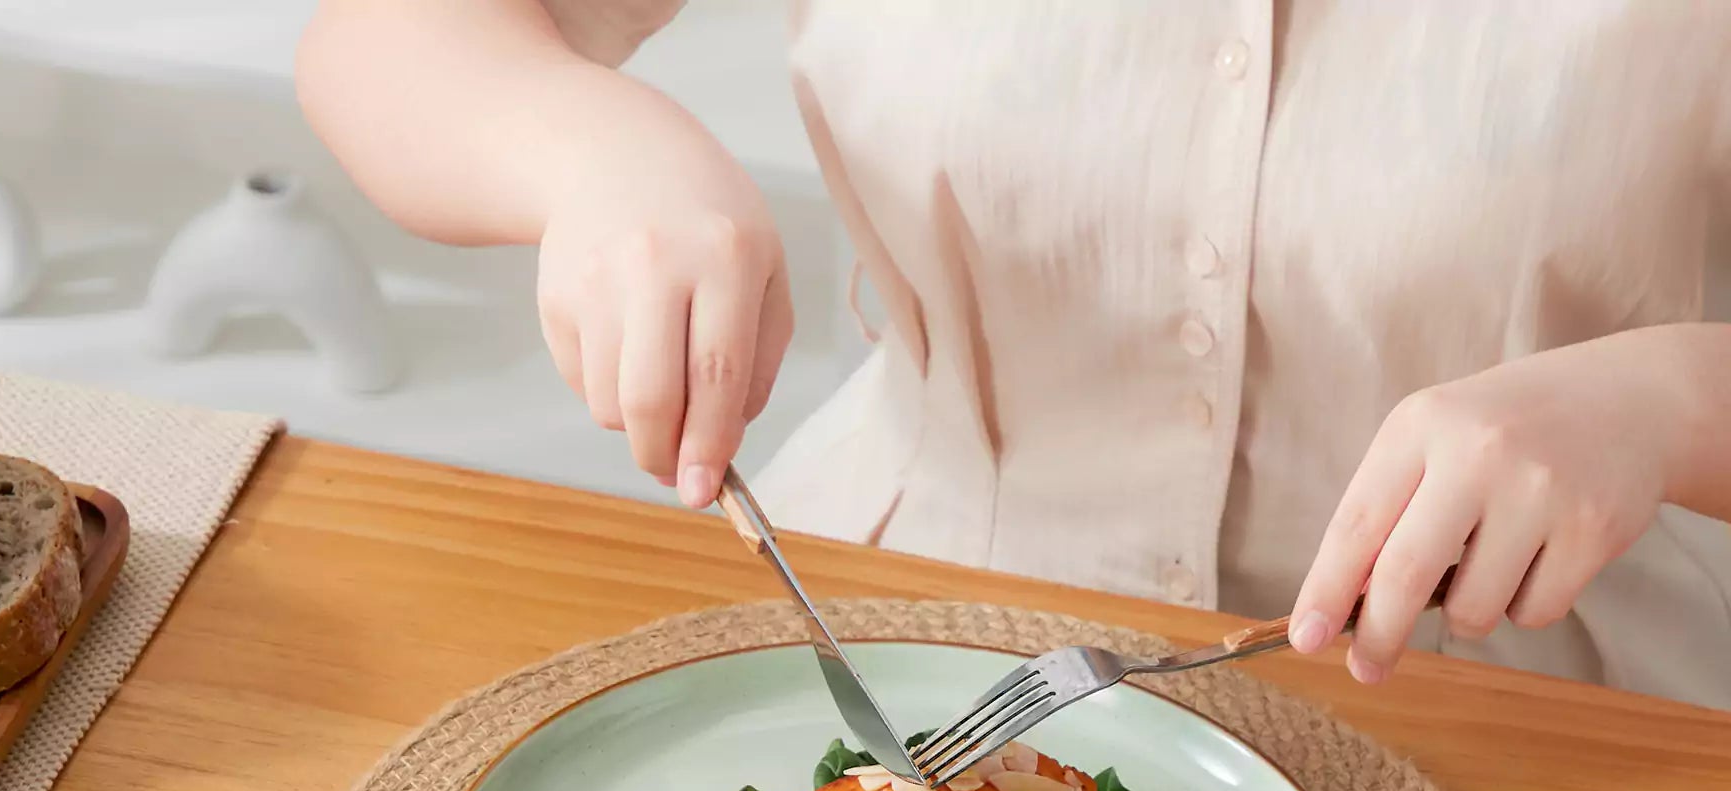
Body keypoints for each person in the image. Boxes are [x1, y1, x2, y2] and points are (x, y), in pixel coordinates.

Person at [298, 1, 1731, 704]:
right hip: (894, 628)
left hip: (1561, 721)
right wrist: (588, 151)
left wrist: (1660, 402)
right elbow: (399, 33)